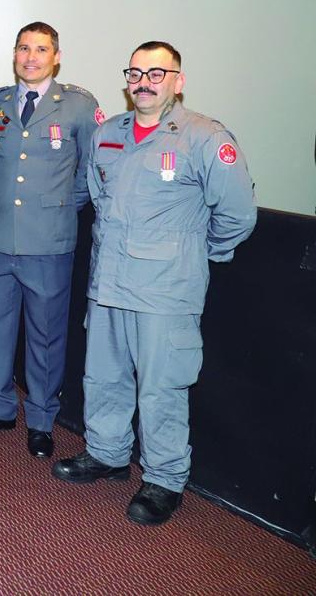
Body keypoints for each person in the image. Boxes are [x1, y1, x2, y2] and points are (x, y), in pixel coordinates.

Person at [53, 41, 256, 526]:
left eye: (157, 73)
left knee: (162, 387)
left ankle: (164, 478)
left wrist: (191, 253)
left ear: (178, 81)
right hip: (109, 283)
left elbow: (237, 215)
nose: (144, 81)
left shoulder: (204, 136)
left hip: (167, 291)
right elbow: (100, 199)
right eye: (136, 72)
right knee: (103, 375)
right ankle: (107, 452)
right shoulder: (108, 133)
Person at [0, 22, 101, 458]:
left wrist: (58, 207)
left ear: (56, 56)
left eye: (41, 49)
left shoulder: (78, 106)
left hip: (50, 242)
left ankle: (41, 417)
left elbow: (89, 172)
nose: (31, 57)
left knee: (45, 335)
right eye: (24, 48)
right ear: (15, 53)